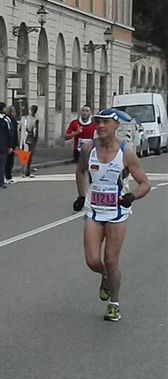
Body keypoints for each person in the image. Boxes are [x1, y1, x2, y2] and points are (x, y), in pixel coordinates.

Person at [72, 108, 150, 322]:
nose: (100, 126)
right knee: (92, 260)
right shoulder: (89, 148)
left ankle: (113, 304)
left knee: (111, 260)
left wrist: (131, 196)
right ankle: (105, 276)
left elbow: (145, 183)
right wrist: (81, 195)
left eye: (105, 123)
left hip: (116, 214)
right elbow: (80, 170)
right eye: (98, 122)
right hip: (94, 212)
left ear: (116, 126)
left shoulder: (126, 152)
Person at [19, 105, 39, 177]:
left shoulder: (23, 118)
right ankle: (27, 172)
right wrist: (35, 138)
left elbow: (19, 128)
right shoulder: (35, 120)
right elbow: (35, 131)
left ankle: (22, 172)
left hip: (23, 139)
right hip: (30, 139)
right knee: (29, 156)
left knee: (23, 156)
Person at [4, 104, 19, 184]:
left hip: (4, 143)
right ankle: (8, 176)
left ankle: (3, 176)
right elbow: (14, 133)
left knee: (4, 160)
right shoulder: (13, 120)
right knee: (10, 161)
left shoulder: (4, 119)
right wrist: (16, 144)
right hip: (11, 143)